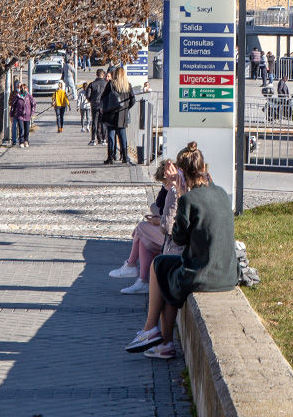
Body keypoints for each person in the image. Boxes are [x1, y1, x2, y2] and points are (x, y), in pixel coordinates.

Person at [125, 142, 238, 360]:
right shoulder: (222, 193)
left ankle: (152, 331)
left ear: (183, 174)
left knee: (160, 266)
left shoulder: (188, 198)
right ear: (204, 169)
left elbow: (177, 236)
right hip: (228, 273)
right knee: (167, 274)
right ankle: (160, 340)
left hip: (204, 274)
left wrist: (179, 197)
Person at [111, 158, 184, 294]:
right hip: (174, 237)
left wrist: (159, 220)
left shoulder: (175, 192)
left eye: (164, 183)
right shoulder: (173, 190)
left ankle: (131, 265)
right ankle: (142, 280)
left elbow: (168, 224)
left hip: (175, 241)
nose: (163, 186)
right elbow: (159, 207)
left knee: (141, 228)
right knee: (144, 239)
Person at [102, 68, 136, 164]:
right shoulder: (127, 85)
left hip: (111, 113)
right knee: (122, 135)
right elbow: (133, 100)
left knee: (111, 134)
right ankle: (125, 157)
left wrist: (106, 107)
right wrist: (126, 108)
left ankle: (110, 157)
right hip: (122, 114)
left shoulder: (111, 84)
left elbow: (103, 97)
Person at [86, 69, 109, 146]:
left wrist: (91, 100)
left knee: (94, 122)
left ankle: (93, 139)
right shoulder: (106, 84)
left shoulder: (92, 84)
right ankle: (104, 139)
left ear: (96, 74)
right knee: (103, 122)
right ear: (103, 75)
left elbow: (88, 95)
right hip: (103, 105)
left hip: (95, 104)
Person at [11, 78, 21, 146]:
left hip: (21, 113)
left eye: (20, 87)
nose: (19, 88)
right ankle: (14, 140)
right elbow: (9, 102)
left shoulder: (23, 93)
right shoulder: (13, 93)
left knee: (21, 127)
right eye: (18, 87)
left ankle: (21, 139)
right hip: (14, 113)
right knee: (14, 126)